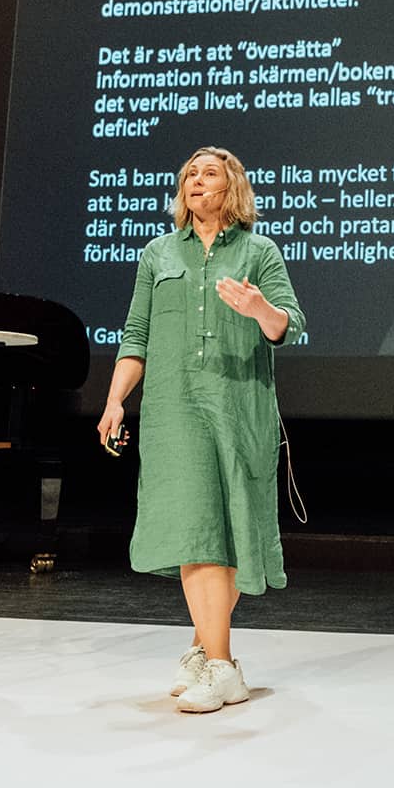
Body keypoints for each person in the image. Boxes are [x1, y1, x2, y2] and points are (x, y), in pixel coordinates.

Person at [97, 146, 305, 712]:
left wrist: (260, 309)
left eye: (209, 173)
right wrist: (115, 400)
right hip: (174, 410)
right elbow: (136, 334)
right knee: (195, 528)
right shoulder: (158, 253)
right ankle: (221, 665)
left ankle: (205, 652)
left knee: (228, 531)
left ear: (231, 187)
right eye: (190, 173)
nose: (196, 180)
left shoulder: (259, 251)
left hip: (239, 409)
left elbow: (288, 324)